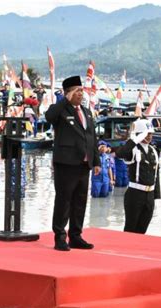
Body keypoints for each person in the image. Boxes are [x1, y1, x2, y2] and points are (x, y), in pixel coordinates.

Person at [45, 75, 100, 251]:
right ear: (68, 93)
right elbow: (49, 116)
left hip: (84, 164)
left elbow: (92, 137)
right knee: (64, 201)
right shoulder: (61, 110)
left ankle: (75, 236)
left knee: (80, 201)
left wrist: (96, 160)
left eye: (81, 90)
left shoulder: (86, 111)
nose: (81, 93)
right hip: (66, 163)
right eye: (77, 91)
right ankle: (60, 237)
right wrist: (63, 101)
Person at [116, 119, 160, 234]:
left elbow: (156, 174)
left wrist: (155, 196)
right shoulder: (133, 149)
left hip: (149, 195)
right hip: (135, 194)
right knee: (130, 228)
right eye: (147, 134)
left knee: (142, 229)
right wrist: (134, 140)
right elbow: (120, 154)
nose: (150, 136)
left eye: (151, 134)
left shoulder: (153, 151)